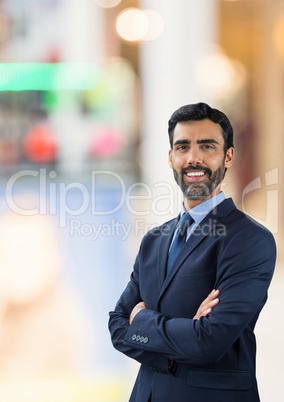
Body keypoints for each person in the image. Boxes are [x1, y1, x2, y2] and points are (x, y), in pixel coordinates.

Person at [108, 102, 276, 402]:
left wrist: (144, 320)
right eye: (183, 147)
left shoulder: (249, 240)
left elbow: (209, 341)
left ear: (228, 156)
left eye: (207, 146)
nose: (193, 158)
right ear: (171, 158)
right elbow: (118, 325)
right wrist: (184, 334)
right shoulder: (154, 240)